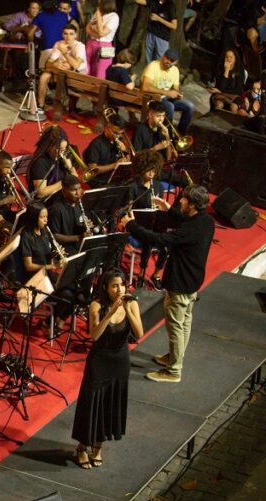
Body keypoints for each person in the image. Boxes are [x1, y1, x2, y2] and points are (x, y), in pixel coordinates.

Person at [120, 184, 214, 383]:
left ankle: (173, 371)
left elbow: (159, 239)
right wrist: (168, 208)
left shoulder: (188, 230)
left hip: (180, 283)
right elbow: (187, 221)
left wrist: (131, 225)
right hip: (193, 281)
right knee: (185, 323)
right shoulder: (206, 220)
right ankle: (174, 357)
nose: (180, 201)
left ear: (193, 204)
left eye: (184, 200)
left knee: (175, 327)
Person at [71, 269, 143, 469]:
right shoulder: (96, 305)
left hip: (120, 362)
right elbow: (94, 335)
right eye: (114, 285)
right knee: (92, 404)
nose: (119, 289)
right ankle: (82, 447)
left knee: (109, 405)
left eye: (121, 284)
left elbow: (139, 333)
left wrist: (126, 309)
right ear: (105, 287)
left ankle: (98, 447)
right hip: (99, 361)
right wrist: (110, 313)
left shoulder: (132, 303)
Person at [19, 200, 72, 333]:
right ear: (34, 218)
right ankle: (49, 322)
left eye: (46, 217)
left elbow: (46, 257)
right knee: (68, 296)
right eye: (42, 217)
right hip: (35, 279)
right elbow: (28, 266)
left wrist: (56, 254)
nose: (46, 220)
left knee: (76, 290)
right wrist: (52, 265)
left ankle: (54, 322)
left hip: (47, 275)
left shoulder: (45, 232)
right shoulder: (26, 236)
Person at [125, 151, 170, 289]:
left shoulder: (157, 186)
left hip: (154, 222)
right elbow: (128, 210)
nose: (152, 173)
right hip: (138, 225)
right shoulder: (133, 186)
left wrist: (159, 206)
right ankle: (141, 273)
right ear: (141, 168)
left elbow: (162, 208)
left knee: (168, 241)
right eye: (149, 170)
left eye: (154, 170)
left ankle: (156, 273)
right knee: (148, 239)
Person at [141, 48, 194, 135]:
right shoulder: (153, 66)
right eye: (167, 58)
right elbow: (145, 87)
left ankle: (180, 135)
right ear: (163, 56)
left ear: (175, 62)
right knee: (170, 106)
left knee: (190, 106)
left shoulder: (175, 70)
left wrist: (178, 93)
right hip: (151, 98)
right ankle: (167, 135)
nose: (168, 61)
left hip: (165, 98)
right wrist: (167, 93)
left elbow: (176, 87)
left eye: (172, 60)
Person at [37, 24, 88, 108]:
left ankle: (61, 105)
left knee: (66, 67)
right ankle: (40, 105)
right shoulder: (59, 43)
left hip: (78, 77)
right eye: (65, 33)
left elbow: (75, 65)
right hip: (60, 72)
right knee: (44, 76)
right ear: (62, 34)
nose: (68, 37)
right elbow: (48, 64)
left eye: (71, 34)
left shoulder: (80, 46)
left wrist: (64, 53)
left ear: (76, 35)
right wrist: (54, 64)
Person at [28, 125, 78, 200]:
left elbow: (75, 178)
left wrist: (70, 168)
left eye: (64, 149)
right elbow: (41, 193)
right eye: (59, 149)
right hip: (46, 203)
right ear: (49, 146)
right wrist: (66, 182)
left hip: (59, 197)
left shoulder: (61, 157)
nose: (62, 153)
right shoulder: (40, 163)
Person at [83, 112, 130, 188]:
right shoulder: (96, 144)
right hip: (100, 181)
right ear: (108, 127)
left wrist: (125, 151)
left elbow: (128, 163)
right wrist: (115, 165)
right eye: (115, 133)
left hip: (115, 178)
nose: (118, 136)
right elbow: (93, 170)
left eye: (120, 134)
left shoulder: (119, 140)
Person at [48, 174, 91, 256]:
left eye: (79, 189)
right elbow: (53, 236)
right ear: (64, 191)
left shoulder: (80, 204)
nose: (78, 193)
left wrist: (86, 227)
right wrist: (78, 237)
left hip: (80, 246)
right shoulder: (56, 209)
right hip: (66, 250)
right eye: (74, 190)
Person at [84, 0, 120, 79]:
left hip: (105, 45)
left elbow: (102, 33)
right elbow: (87, 28)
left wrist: (98, 19)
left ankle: (97, 90)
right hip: (91, 43)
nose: (98, 1)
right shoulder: (97, 13)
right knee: (87, 68)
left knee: (101, 71)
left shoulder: (114, 16)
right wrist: (96, 32)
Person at [208, 49, 245, 113]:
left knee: (234, 107)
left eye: (231, 57)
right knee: (219, 105)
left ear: (235, 58)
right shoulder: (220, 68)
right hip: (220, 95)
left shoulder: (240, 71)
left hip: (233, 96)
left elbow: (238, 91)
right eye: (226, 57)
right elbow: (221, 87)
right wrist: (226, 70)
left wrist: (221, 91)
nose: (228, 59)